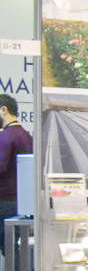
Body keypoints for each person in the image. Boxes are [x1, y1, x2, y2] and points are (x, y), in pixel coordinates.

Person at [0, 94, 33, 222]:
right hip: (22, 203)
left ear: (4, 110)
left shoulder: (6, 137)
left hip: (5, 202)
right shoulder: (26, 136)